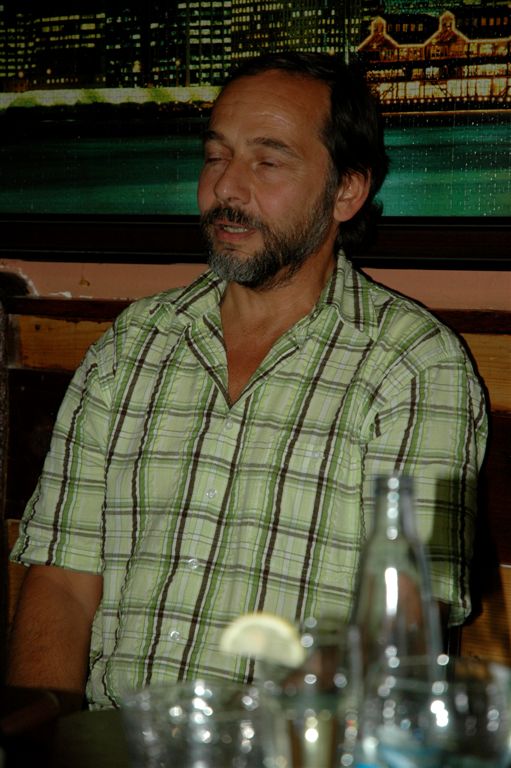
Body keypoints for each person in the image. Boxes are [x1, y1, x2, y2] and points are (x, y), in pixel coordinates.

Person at [8, 52, 487, 710]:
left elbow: (403, 625)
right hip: (109, 740)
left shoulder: (411, 366)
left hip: (290, 745)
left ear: (346, 191)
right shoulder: (133, 344)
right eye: (216, 156)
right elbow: (61, 581)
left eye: (267, 161)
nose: (226, 189)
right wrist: (43, 742)